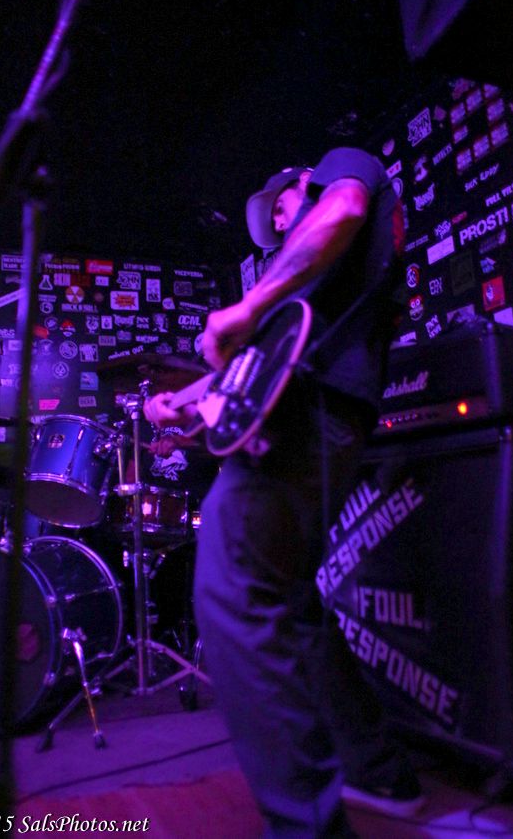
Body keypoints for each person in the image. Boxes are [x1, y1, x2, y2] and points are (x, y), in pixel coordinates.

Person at [144, 147, 422, 837]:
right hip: (312, 413)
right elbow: (254, 373)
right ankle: (379, 770)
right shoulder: (301, 293)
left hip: (312, 413)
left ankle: (307, 827)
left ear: (306, 181)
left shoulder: (344, 172)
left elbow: (345, 205)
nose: (275, 220)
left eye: (281, 204)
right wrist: (185, 406)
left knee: (230, 588)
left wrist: (246, 305)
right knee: (292, 604)